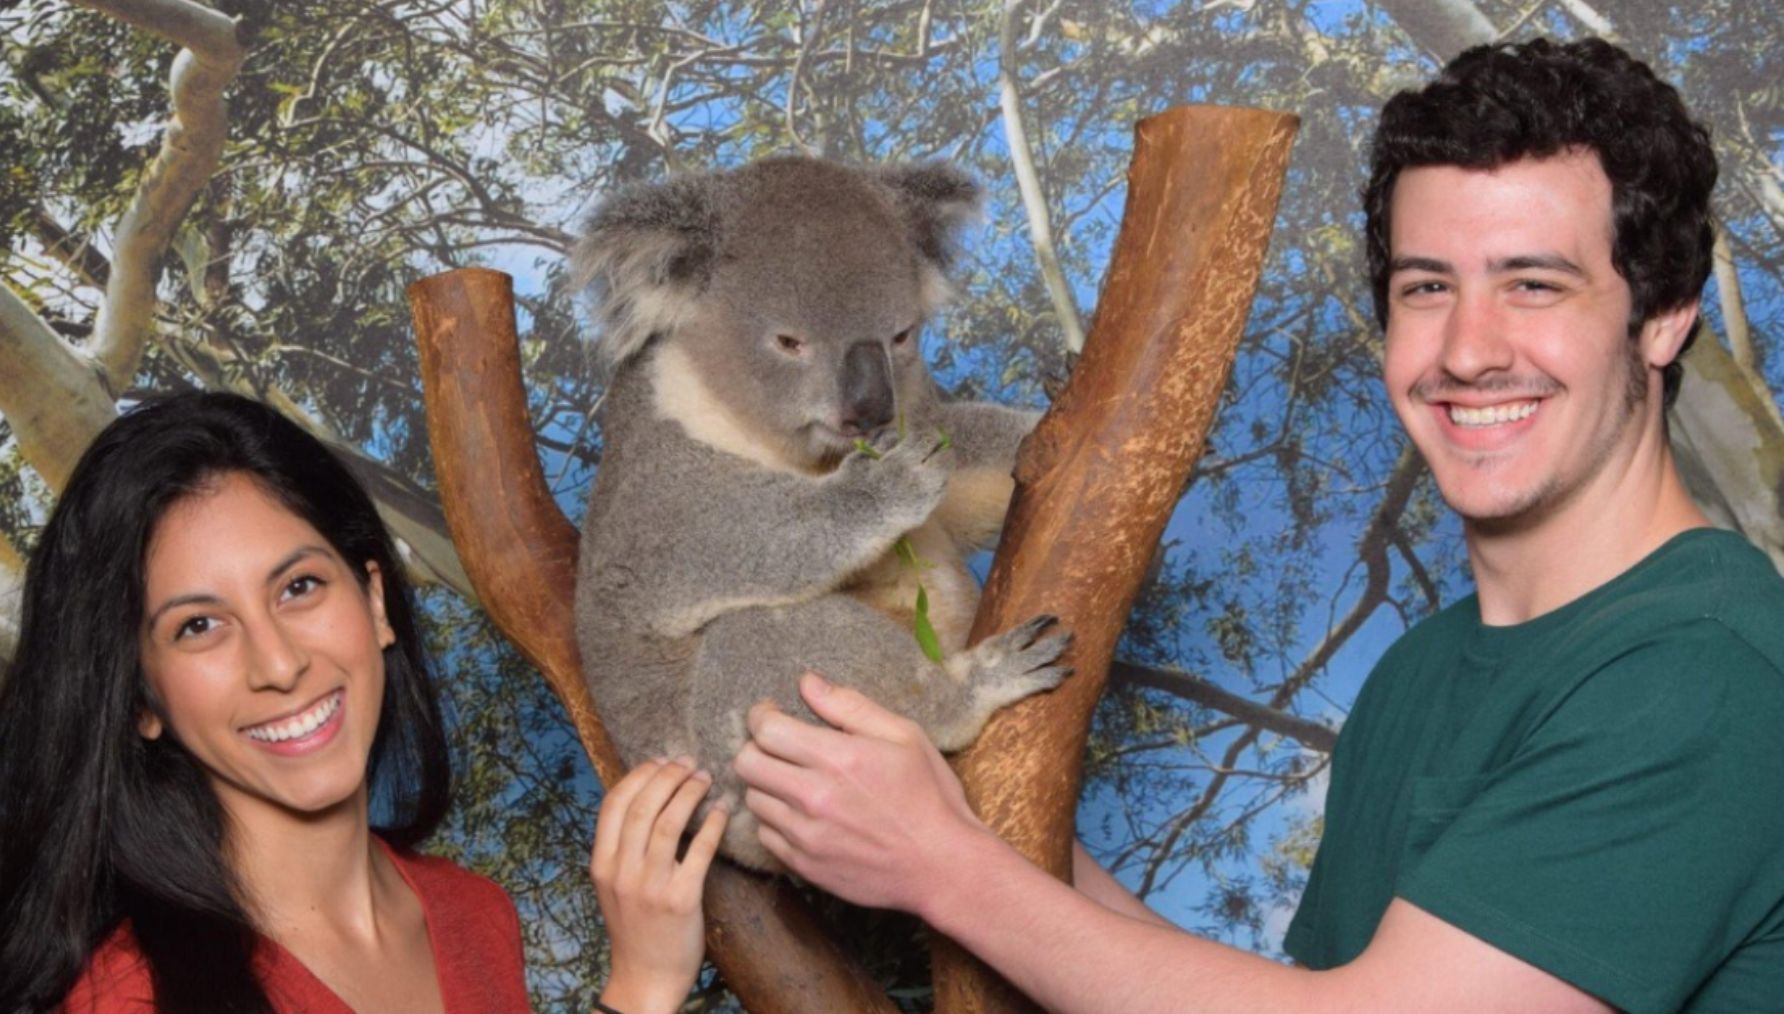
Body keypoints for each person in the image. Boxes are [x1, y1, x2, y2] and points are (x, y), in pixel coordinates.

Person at [733, 37, 1784, 1014]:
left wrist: (944, 870)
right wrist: (968, 826)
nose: (1467, 350)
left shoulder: (1708, 669)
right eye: (1428, 287)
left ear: (1663, 318)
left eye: (1533, 284)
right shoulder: (1421, 674)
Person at [0, 391, 723, 1014]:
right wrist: (640, 991)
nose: (278, 664)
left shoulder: (473, 913)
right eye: (198, 626)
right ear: (141, 697)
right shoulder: (125, 998)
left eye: (299, 586)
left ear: (373, 601)